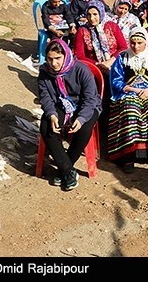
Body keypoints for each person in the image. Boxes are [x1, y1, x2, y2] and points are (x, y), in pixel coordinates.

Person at [37, 39, 101, 191]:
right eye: (50, 59)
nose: (54, 63)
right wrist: (52, 114)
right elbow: (45, 97)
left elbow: (90, 98)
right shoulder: (44, 72)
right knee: (46, 126)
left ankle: (64, 169)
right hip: (60, 106)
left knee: (84, 129)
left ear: (66, 55)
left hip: (85, 106)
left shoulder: (81, 70)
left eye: (58, 58)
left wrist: (81, 118)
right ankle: (68, 170)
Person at [108, 27, 148, 172]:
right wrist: (132, 89)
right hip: (129, 92)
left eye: (139, 43)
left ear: (145, 42)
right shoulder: (122, 57)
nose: (135, 46)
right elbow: (116, 80)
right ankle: (128, 156)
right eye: (133, 43)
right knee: (131, 111)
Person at [72, 0, 127, 77]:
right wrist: (98, 65)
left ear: (101, 13)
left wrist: (110, 62)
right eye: (89, 14)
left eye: (95, 14)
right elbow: (79, 55)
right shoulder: (82, 31)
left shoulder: (112, 26)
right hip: (93, 70)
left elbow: (123, 48)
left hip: (115, 66)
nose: (92, 18)